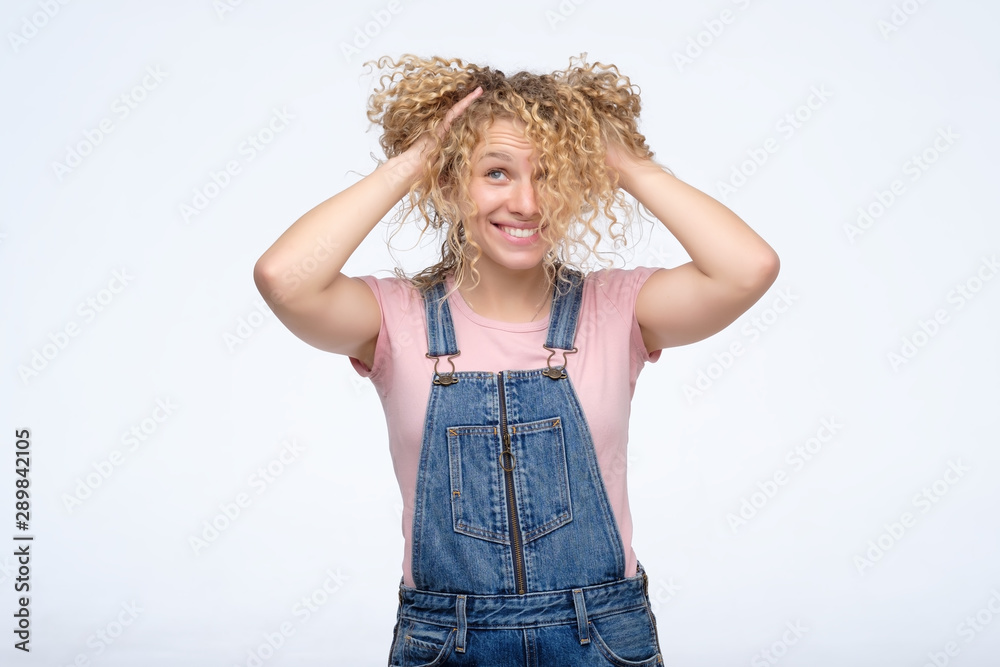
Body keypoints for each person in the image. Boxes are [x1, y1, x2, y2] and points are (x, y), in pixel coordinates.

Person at [253, 54, 779, 666]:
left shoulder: (616, 309)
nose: (527, 202)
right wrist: (414, 163)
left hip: (601, 636)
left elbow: (751, 268)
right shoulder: (393, 318)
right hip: (447, 640)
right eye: (496, 173)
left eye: (551, 173)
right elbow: (282, 278)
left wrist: (628, 163)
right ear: (451, 184)